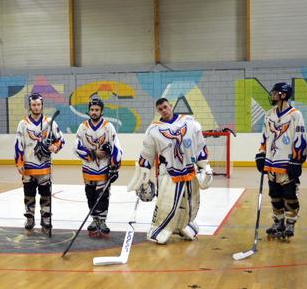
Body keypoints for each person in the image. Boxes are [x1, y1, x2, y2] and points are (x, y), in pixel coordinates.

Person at [127, 97, 213, 244]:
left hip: (190, 171)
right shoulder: (153, 130)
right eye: (160, 109)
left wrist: (204, 165)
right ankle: (159, 230)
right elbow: (147, 152)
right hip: (168, 173)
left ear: (171, 106)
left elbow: (200, 146)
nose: (164, 110)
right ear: (158, 111)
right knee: (167, 204)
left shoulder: (190, 122)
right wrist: (143, 172)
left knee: (191, 203)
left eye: (165, 107)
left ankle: (185, 226)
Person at [255, 82, 307, 240]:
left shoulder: (295, 115)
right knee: (274, 194)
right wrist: (261, 154)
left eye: (274, 93)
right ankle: (278, 221)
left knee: (289, 194)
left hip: (287, 162)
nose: (272, 95)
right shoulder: (269, 115)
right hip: (271, 162)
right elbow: (265, 137)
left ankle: (290, 222)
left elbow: (300, 138)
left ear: (283, 95)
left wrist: (297, 160)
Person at [14, 93, 64, 232]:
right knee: (28, 195)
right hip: (28, 167)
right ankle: (29, 217)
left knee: (45, 195)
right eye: (33, 105)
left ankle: (46, 218)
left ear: (42, 105)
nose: (36, 107)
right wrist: (19, 162)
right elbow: (18, 144)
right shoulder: (23, 124)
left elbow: (60, 140)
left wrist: (55, 147)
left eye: (38, 105)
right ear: (30, 106)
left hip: (44, 167)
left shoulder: (49, 122)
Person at [74, 96, 122, 237]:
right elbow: (76, 147)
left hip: (103, 169)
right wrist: (93, 153)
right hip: (88, 169)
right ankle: (94, 219)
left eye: (97, 109)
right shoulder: (83, 127)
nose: (94, 112)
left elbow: (116, 146)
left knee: (103, 196)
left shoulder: (108, 127)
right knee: (90, 195)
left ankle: (102, 220)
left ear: (102, 111)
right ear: (89, 111)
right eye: (92, 109)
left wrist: (114, 166)